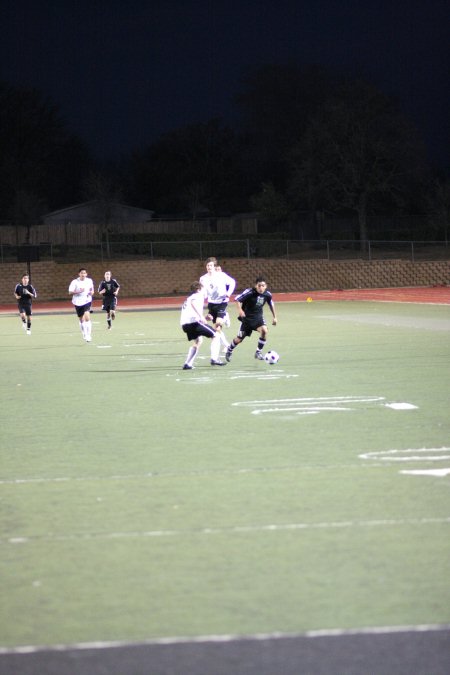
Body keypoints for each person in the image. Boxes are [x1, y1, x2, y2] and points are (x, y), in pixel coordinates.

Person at [225, 276, 277, 362]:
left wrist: (275, 317)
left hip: (258, 318)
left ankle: (258, 352)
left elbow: (271, 305)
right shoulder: (249, 292)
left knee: (264, 330)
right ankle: (229, 350)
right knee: (239, 339)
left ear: (266, 286)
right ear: (256, 285)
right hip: (246, 320)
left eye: (263, 285)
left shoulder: (267, 295)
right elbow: (237, 299)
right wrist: (240, 310)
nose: (261, 288)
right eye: (259, 285)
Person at [180, 282, 226, 369]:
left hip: (185, 325)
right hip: (193, 324)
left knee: (198, 341)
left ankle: (187, 364)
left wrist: (204, 317)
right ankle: (214, 359)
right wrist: (201, 316)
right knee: (216, 335)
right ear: (198, 290)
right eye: (203, 289)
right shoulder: (197, 296)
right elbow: (193, 304)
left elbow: (190, 312)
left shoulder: (189, 298)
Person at [199, 257, 236, 356]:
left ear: (214, 267)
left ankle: (224, 317)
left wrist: (228, 293)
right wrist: (203, 296)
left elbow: (232, 282)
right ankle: (227, 345)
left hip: (222, 302)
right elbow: (203, 292)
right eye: (207, 265)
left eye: (211, 265)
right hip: (212, 304)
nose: (209, 267)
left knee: (218, 324)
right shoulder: (203, 279)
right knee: (217, 329)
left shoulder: (221, 275)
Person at [68, 268, 95, 342]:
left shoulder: (89, 280)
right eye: (81, 273)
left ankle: (88, 335)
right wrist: (78, 291)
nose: (83, 274)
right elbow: (70, 292)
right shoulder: (75, 282)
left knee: (87, 317)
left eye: (84, 273)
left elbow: (92, 290)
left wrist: (91, 292)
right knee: (81, 319)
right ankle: (84, 333)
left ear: (86, 274)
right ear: (79, 274)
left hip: (87, 300)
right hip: (77, 302)